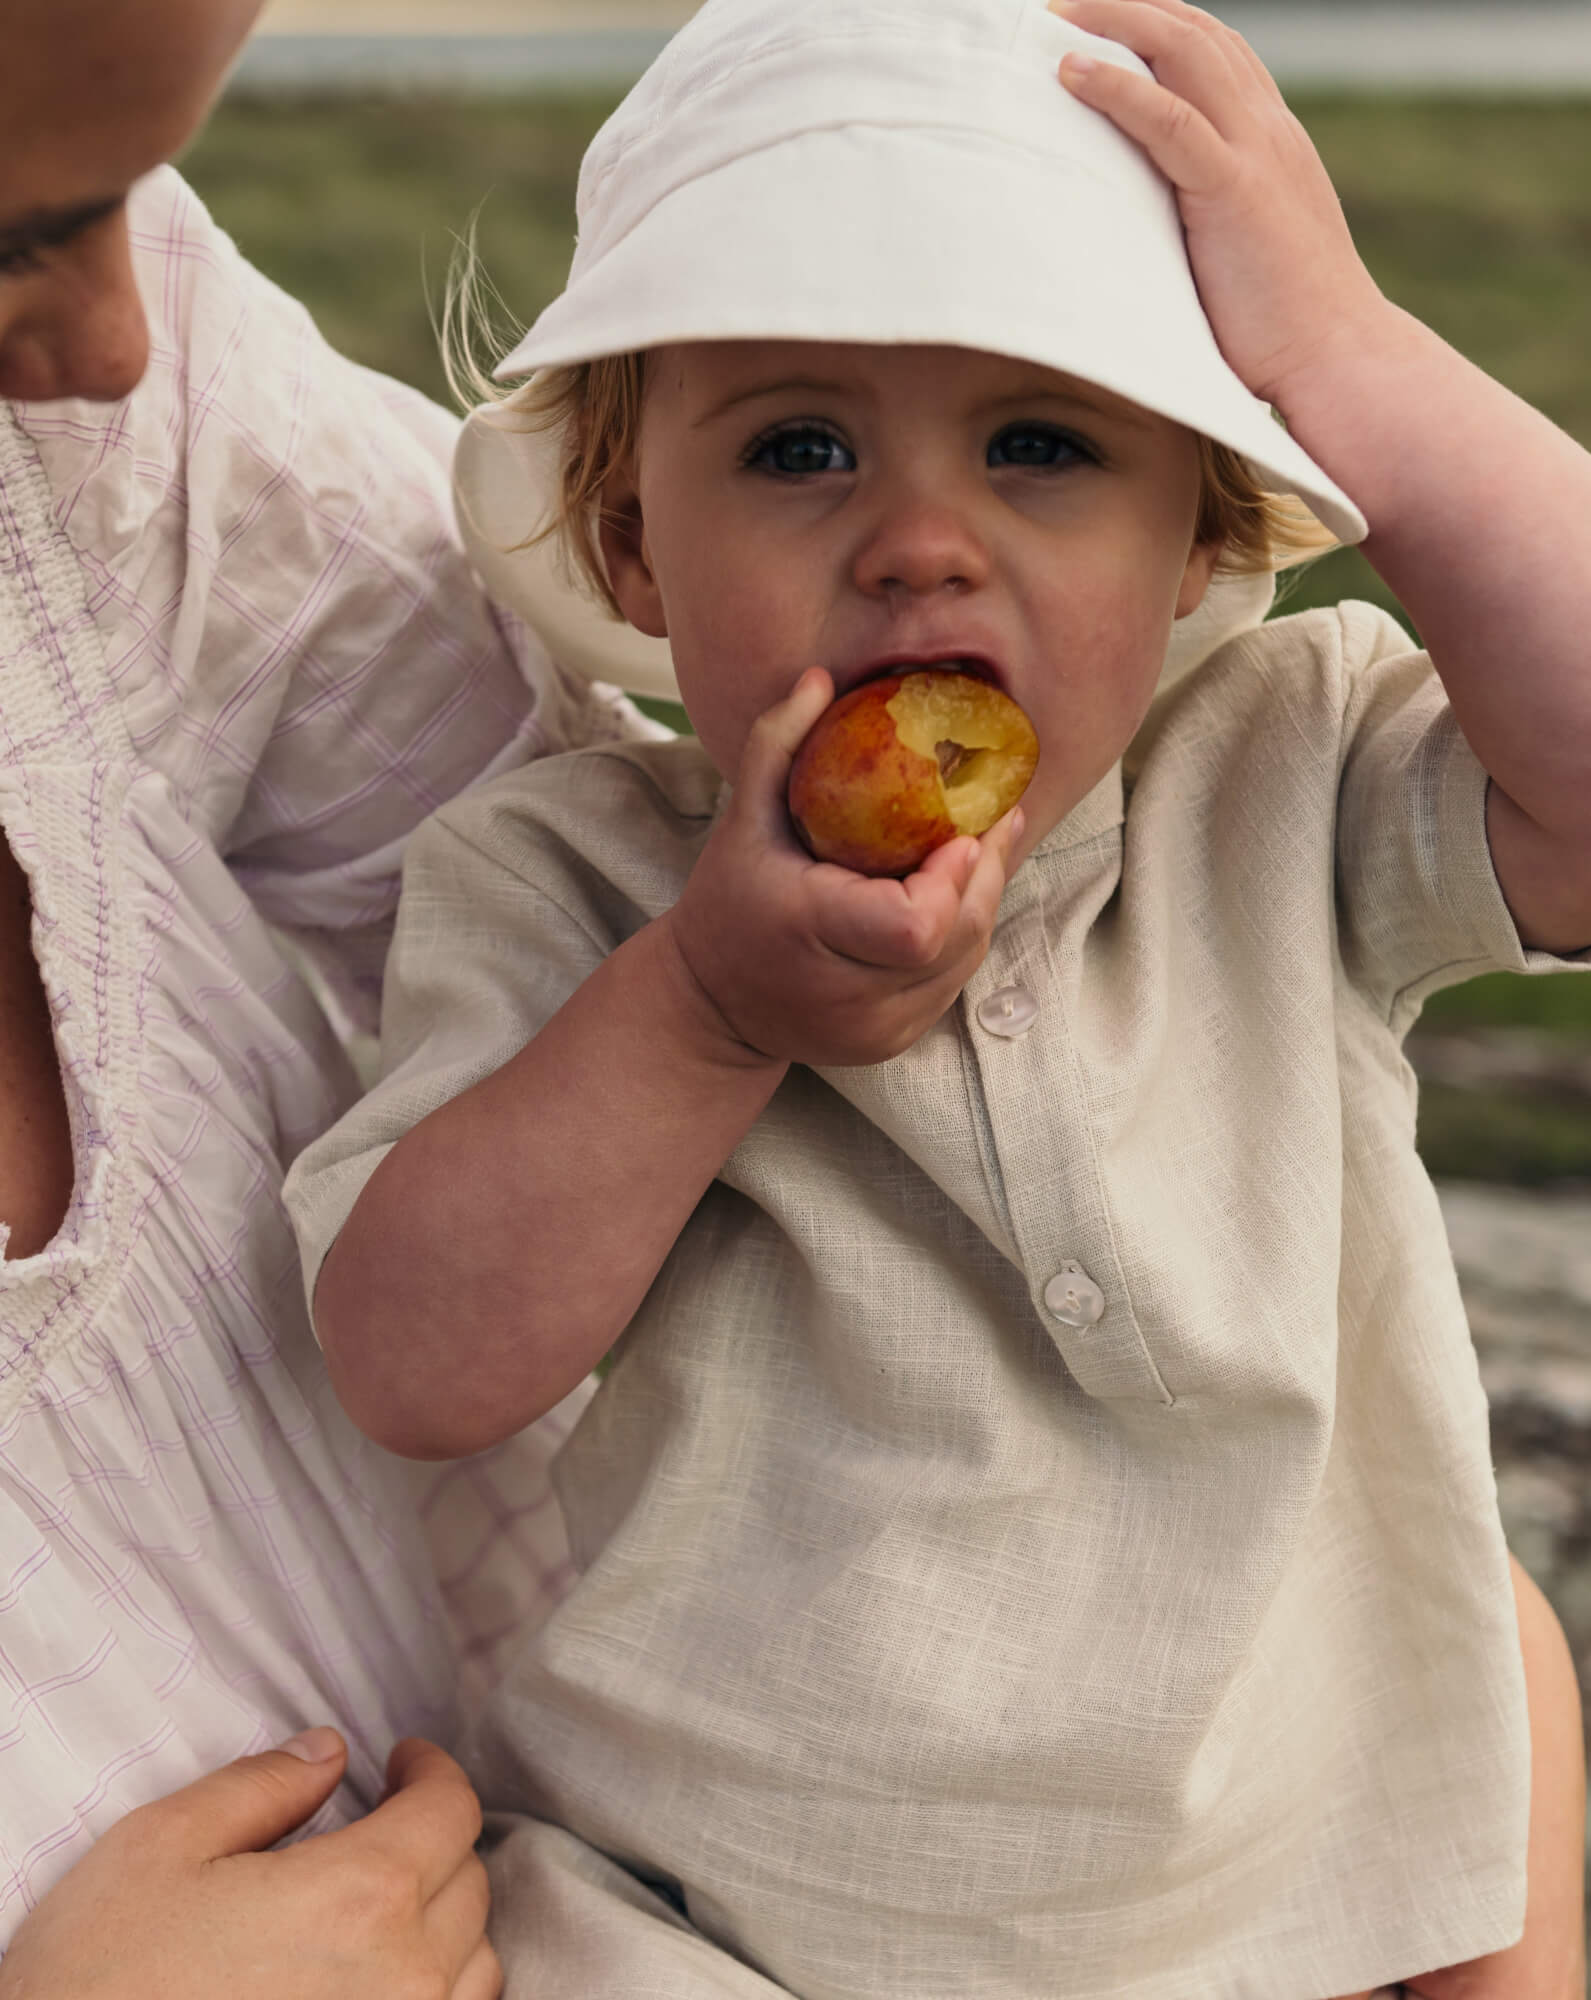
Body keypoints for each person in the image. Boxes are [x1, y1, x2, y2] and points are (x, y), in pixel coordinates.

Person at [287, 0, 1588, 1993]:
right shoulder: (571, 879)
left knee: (1508, 1696)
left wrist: (1352, 365)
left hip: (1278, 1881)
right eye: (798, 445)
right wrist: (706, 1012)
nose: (913, 542)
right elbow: (410, 1358)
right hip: (739, 1916)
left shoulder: (1280, 776)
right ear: (636, 547)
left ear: (1196, 540)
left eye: (1042, 444)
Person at [0, 0, 646, 1992]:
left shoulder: (92, 457)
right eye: (8, 234)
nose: (107, 337)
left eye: (133, 192)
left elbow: (685, 914)